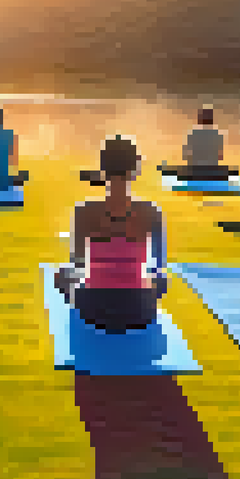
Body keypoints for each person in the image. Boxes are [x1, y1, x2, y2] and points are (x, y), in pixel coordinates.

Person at [56, 136, 170, 333]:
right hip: (140, 311)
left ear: (103, 170)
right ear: (135, 171)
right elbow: (160, 265)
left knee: (63, 274)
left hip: (93, 311)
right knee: (160, 277)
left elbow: (78, 261)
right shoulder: (151, 212)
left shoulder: (83, 211)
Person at [160, 108, 237, 182]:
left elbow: (185, 156)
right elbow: (220, 157)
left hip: (194, 172)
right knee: (230, 172)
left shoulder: (192, 134)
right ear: (212, 120)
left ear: (199, 120)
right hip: (212, 171)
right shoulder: (218, 135)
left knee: (175, 171)